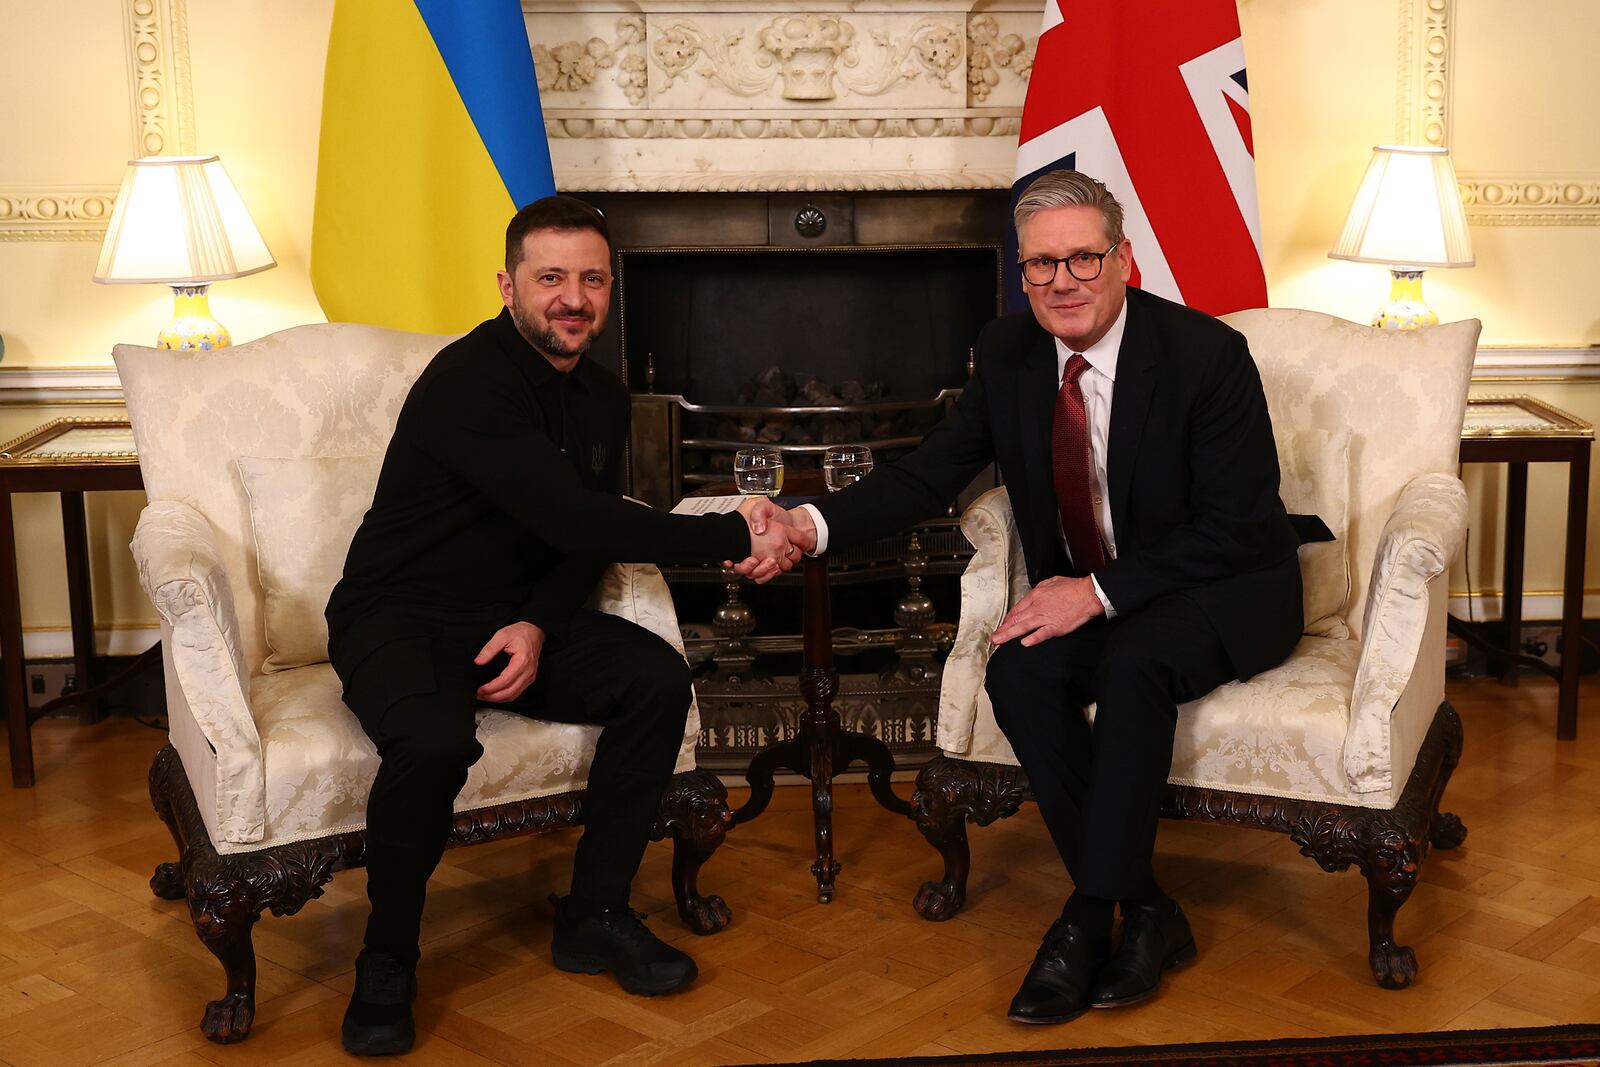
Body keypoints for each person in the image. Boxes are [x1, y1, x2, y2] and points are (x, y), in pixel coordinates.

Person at [740, 169, 1306, 1024]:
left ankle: (1085, 917)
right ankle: (1146, 908)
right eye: (1041, 265)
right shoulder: (1006, 351)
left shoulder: (1204, 355)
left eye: (1083, 258)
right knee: (1018, 672)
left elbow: (1237, 526)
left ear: (1126, 261)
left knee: (1134, 664)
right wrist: (805, 525)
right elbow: (930, 473)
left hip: (1221, 585)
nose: (1062, 282)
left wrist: (1098, 591)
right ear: (1021, 272)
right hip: (1099, 589)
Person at [326, 195, 805, 1055]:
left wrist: (539, 624)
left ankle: (595, 912)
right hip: (398, 616)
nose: (572, 298)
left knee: (655, 679)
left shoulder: (603, 396)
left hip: (508, 619)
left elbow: (575, 540)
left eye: (591, 279)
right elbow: (587, 521)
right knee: (434, 745)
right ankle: (387, 956)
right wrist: (739, 530)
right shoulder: (468, 382)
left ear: (610, 289)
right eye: (551, 278)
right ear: (508, 285)